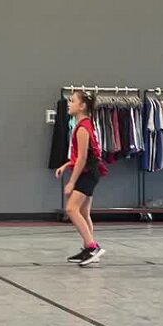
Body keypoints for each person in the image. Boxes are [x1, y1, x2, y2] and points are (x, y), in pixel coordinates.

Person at [55, 90, 107, 265]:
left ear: (82, 106)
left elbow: (83, 158)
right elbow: (82, 156)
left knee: (71, 209)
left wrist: (71, 182)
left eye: (72, 101)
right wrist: (66, 165)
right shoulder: (84, 124)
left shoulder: (83, 128)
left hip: (88, 173)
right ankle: (89, 248)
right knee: (84, 212)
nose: (69, 104)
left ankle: (92, 247)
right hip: (90, 171)